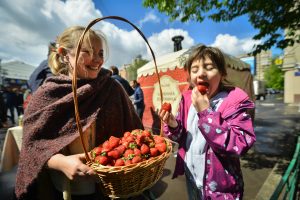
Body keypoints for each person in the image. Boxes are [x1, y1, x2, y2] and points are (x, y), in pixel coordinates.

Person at [15, 26, 143, 200]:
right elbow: (32, 145)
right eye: (88, 52)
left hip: (111, 190)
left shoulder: (113, 89)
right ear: (64, 53)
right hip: (64, 190)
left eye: (100, 53)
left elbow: (135, 134)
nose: (97, 60)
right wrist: (60, 162)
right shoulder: (48, 93)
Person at [158, 45, 256, 199]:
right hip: (193, 179)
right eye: (195, 69)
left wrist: (206, 113)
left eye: (209, 67)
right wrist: (173, 124)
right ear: (190, 76)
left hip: (221, 190)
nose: (201, 73)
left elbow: (240, 144)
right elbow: (182, 137)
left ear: (222, 74)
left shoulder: (233, 101)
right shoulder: (188, 100)